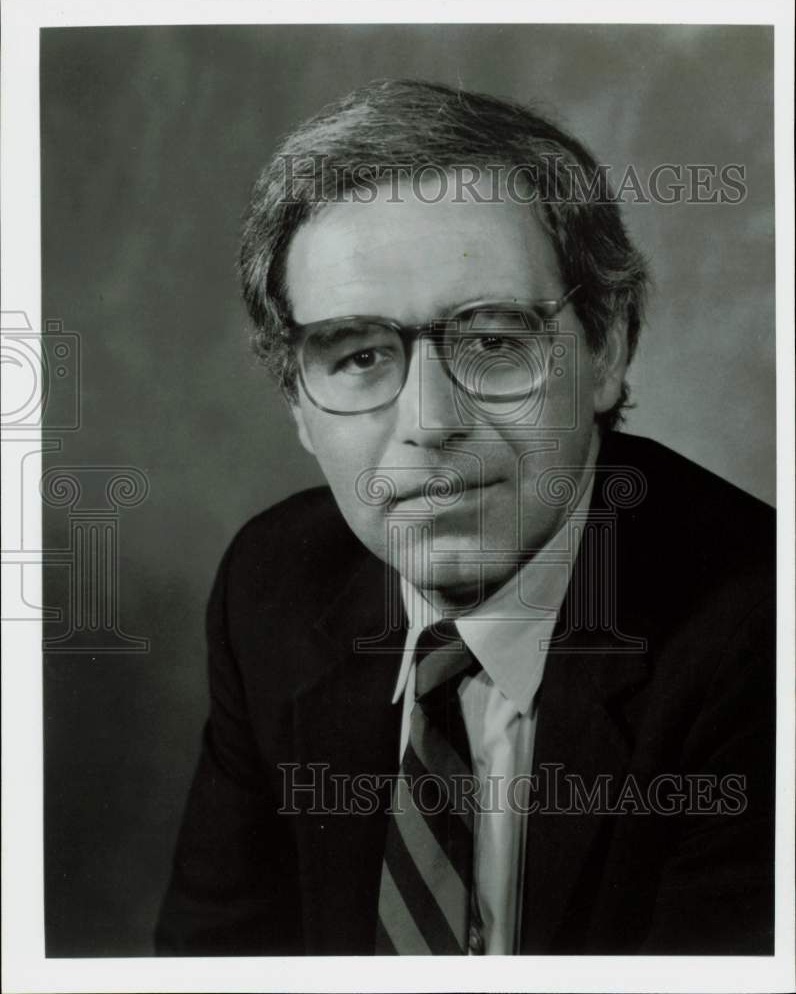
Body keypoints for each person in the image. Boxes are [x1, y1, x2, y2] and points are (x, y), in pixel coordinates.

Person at [155, 79, 775, 956]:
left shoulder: (758, 637)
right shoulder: (274, 584)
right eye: (360, 355)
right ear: (296, 401)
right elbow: (211, 960)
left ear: (606, 349)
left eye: (491, 341)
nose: (430, 421)